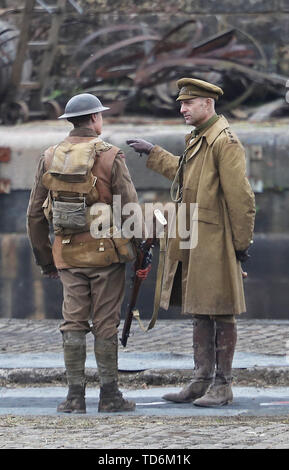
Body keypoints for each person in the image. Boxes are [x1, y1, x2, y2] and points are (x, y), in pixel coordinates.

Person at [127, 78, 255, 407]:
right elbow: (186, 176)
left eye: (188, 103)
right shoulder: (201, 139)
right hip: (196, 239)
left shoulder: (224, 142)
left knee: (221, 312)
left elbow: (241, 200)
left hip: (216, 242)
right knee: (200, 311)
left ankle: (222, 386)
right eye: (181, 103)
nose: (182, 109)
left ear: (207, 104)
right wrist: (153, 152)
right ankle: (201, 382)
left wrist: (239, 247)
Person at [27, 93, 147, 413]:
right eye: (100, 116)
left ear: (70, 121)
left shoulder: (49, 156)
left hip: (66, 254)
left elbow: (35, 216)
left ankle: (74, 398)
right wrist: (137, 253)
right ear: (95, 119)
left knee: (73, 322)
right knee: (105, 324)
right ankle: (109, 396)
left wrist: (45, 260)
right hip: (106, 256)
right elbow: (129, 210)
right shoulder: (110, 156)